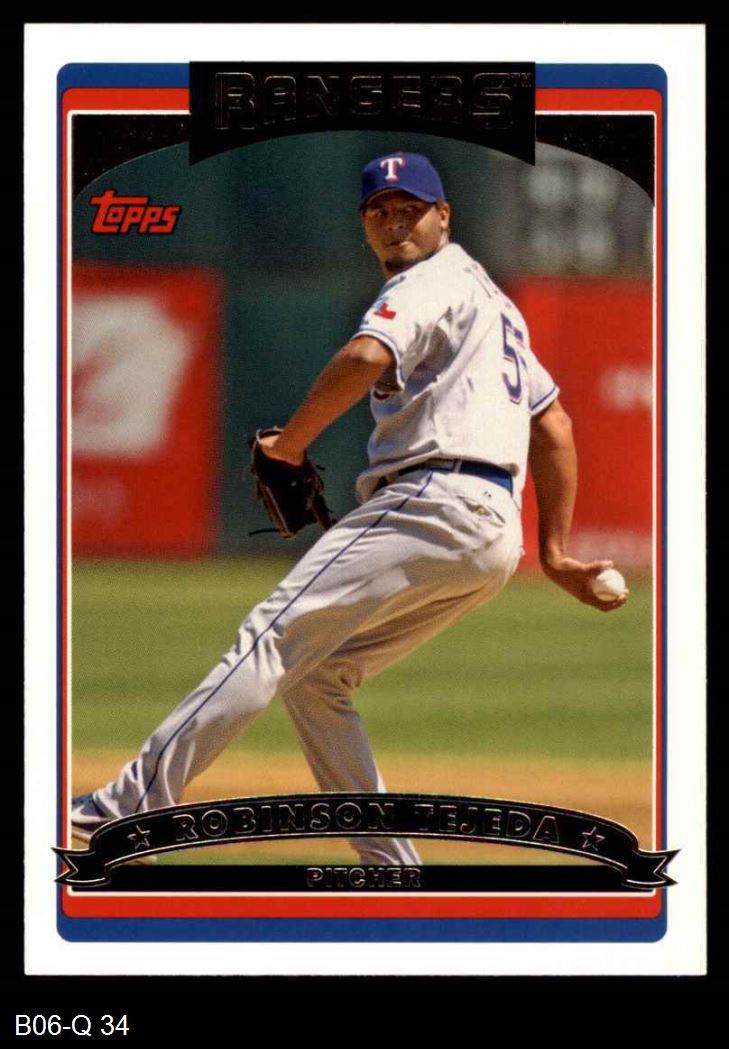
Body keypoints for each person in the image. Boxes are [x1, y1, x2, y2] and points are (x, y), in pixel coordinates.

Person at [72, 151, 628, 865]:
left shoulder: (430, 281)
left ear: (444, 216)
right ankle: (393, 867)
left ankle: (129, 808)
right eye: (379, 211)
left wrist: (289, 445)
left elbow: (367, 356)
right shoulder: (492, 301)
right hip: (491, 534)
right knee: (318, 680)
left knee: (269, 638)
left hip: (433, 499)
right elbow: (553, 423)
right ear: (365, 224)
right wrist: (551, 552)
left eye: (410, 209)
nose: (395, 222)